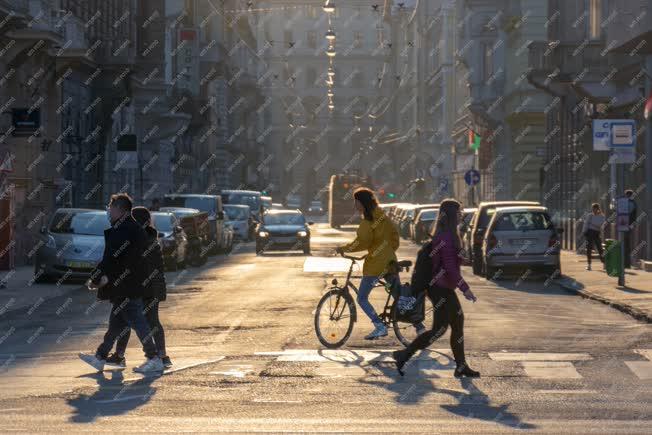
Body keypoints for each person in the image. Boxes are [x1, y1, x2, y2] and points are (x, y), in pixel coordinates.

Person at [392, 199, 479, 378]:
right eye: (459, 212)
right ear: (452, 215)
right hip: (440, 289)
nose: (461, 214)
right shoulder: (446, 237)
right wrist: (465, 289)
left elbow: (452, 262)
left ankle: (460, 366)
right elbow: (449, 267)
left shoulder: (448, 235)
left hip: (442, 288)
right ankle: (405, 354)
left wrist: (462, 257)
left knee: (449, 326)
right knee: (444, 328)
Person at [78, 193, 164, 373]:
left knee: (138, 322)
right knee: (117, 323)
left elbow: (110, 258)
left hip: (127, 285)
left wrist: (96, 278)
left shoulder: (124, 229)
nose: (109, 210)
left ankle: (154, 357)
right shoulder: (129, 227)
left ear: (120, 209)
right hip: (128, 283)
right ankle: (100, 357)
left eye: (111, 206)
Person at [105, 206, 172, 369]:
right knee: (146, 321)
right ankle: (161, 356)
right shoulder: (150, 238)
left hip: (142, 288)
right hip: (150, 287)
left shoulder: (140, 240)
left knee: (128, 320)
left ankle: (123, 355)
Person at [335, 187, 402, 340]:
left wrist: (343, 249)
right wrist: (388, 251)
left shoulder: (368, 221)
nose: (354, 206)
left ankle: (379, 326)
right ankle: (418, 324)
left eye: (356, 202)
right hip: (390, 262)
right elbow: (395, 237)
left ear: (362, 203)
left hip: (375, 266)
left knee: (362, 298)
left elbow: (362, 242)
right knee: (399, 295)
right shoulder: (384, 217)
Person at [582, 203, 606, 271]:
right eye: (593, 208)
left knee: (600, 248)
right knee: (589, 249)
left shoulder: (601, 216)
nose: (593, 210)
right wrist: (584, 231)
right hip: (590, 232)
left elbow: (601, 224)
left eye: (595, 208)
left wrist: (594, 225)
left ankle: (604, 263)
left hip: (596, 233)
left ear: (598, 209)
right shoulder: (590, 215)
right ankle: (589, 265)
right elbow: (586, 223)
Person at [624, 190, 637, 268]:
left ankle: (627, 263)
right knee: (627, 243)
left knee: (626, 243)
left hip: (627, 225)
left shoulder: (630, 203)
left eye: (627, 195)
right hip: (627, 224)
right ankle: (627, 262)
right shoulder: (633, 203)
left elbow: (628, 213)